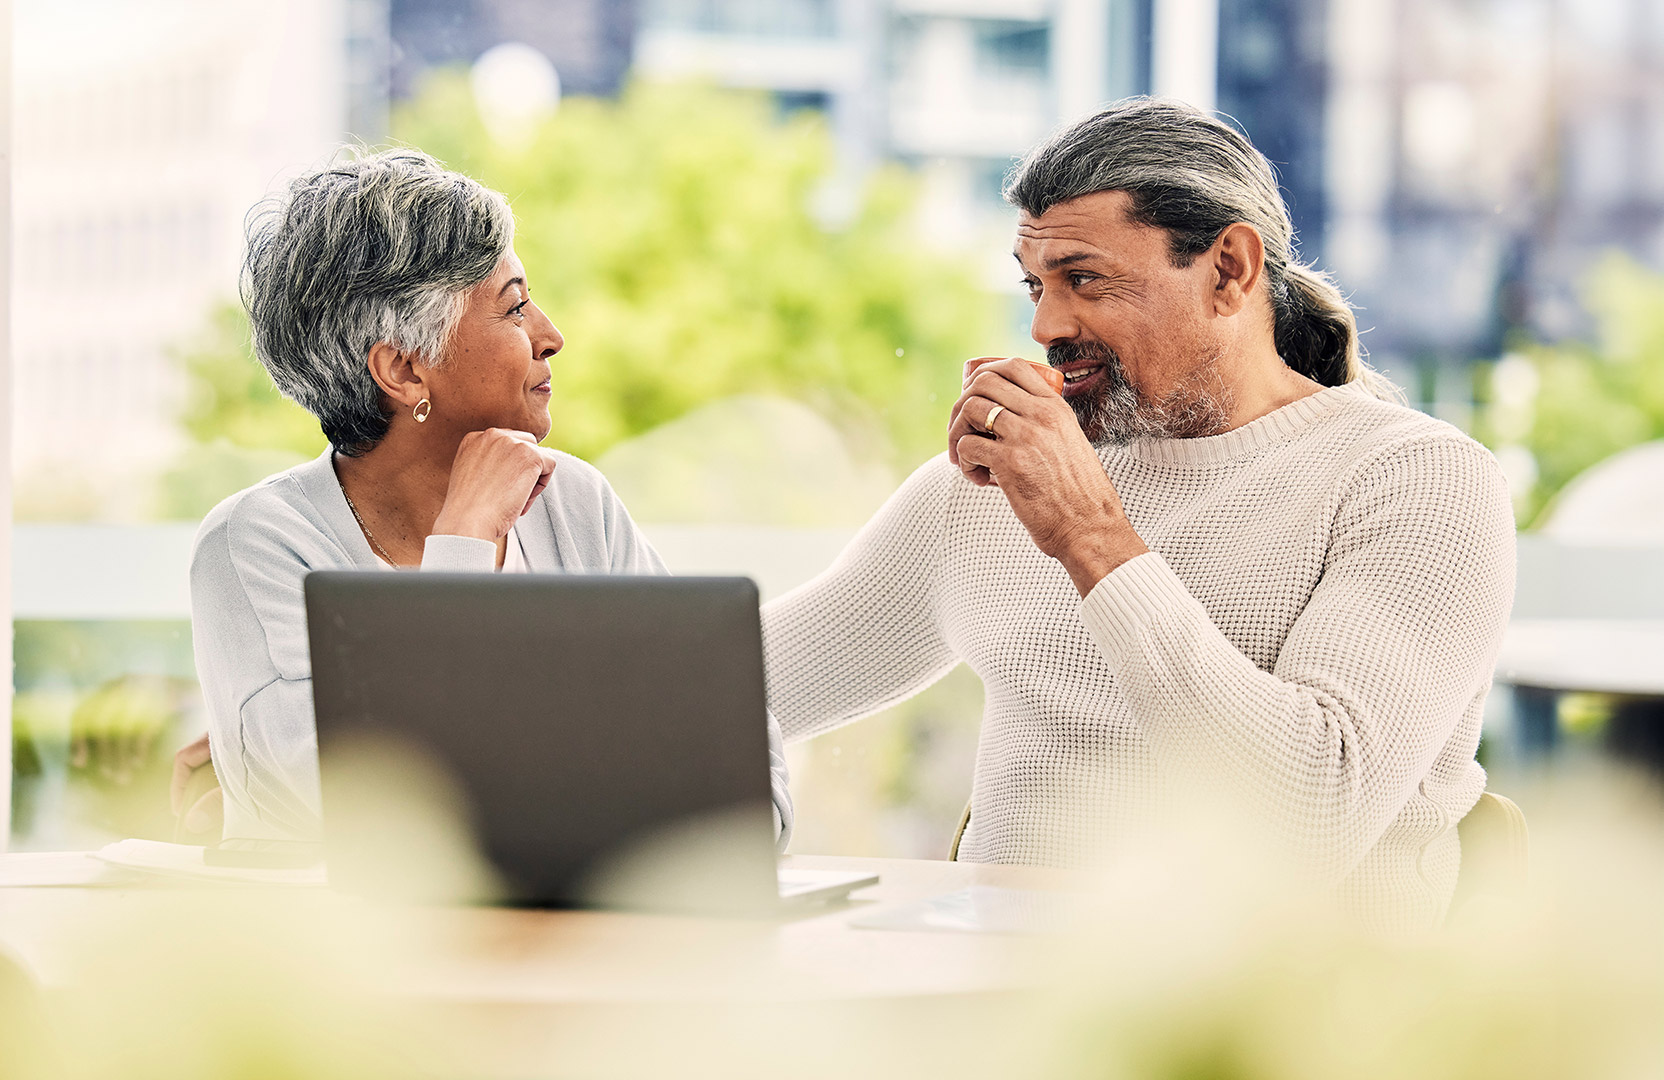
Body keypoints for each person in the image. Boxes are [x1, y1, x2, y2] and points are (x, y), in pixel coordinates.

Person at [760, 99, 1515, 930]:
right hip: (1001, 1013)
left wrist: (1091, 538)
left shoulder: (1417, 480)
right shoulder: (988, 491)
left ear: (1229, 268)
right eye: (1036, 285)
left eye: (1084, 280)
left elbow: (1309, 823)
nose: (1047, 325)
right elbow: (732, 694)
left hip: (1288, 1026)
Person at [179, 148, 793, 845]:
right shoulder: (254, 546)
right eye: (515, 308)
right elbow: (385, 813)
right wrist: (464, 540)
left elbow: (733, 753)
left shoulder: (573, 504)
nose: (551, 337)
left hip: (595, 942)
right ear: (405, 369)